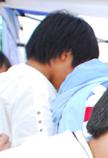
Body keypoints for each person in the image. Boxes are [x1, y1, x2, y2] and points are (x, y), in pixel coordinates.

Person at [0, 11, 98, 150]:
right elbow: (39, 154)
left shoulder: (11, 78)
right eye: (78, 69)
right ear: (65, 56)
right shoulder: (36, 88)